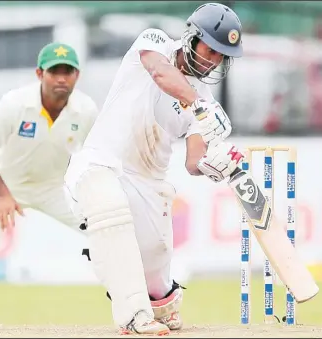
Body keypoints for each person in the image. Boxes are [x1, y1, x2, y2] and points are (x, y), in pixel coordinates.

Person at [63, 2, 245, 336]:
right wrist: (202, 105)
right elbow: (161, 73)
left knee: (157, 265)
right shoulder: (155, 42)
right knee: (107, 203)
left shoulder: (201, 96)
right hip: (99, 163)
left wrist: (214, 167)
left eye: (222, 56)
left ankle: (161, 306)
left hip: (148, 184)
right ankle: (134, 315)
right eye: (211, 49)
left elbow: (193, 161)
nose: (214, 60)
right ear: (192, 38)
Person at [0, 43, 99, 323]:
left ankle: (137, 307)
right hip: (5, 185)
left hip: (55, 188)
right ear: (39, 73)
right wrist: (2, 194)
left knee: (104, 228)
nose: (61, 78)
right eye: (54, 71)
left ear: (77, 75)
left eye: (68, 71)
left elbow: (95, 154)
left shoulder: (86, 110)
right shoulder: (15, 103)